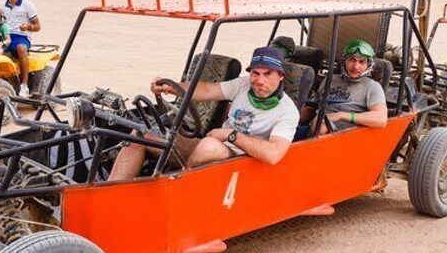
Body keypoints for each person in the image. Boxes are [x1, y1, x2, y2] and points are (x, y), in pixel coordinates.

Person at [108, 47, 300, 181]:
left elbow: (274, 154)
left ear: (280, 76)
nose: (259, 80)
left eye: (268, 74)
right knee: (143, 133)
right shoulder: (243, 85)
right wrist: (171, 88)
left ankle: (178, 188)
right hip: (211, 144)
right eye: (255, 73)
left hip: (240, 157)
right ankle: (110, 192)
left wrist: (230, 135)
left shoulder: (287, 110)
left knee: (209, 146)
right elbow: (207, 90)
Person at [301, 39, 387, 133]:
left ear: (368, 65)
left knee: (321, 128)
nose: (355, 66)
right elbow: (312, 107)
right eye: (351, 59)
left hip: (342, 135)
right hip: (313, 127)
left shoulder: (372, 87)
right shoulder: (330, 79)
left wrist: (341, 115)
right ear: (344, 61)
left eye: (361, 62)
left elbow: (381, 119)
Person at [1, 0, 41, 97]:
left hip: (21, 37)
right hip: (6, 36)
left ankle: (24, 86)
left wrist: (28, 27)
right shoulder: (1, 5)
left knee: (21, 49)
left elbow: (38, 26)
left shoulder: (27, 5)